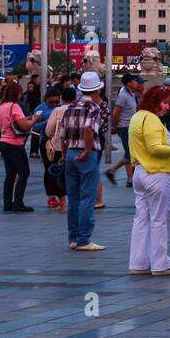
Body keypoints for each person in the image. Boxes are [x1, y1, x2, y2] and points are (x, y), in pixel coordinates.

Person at [127, 85, 170, 276]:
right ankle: (160, 263)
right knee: (160, 219)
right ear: (155, 102)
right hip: (156, 173)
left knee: (141, 219)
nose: (167, 107)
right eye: (165, 102)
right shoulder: (151, 119)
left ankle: (138, 262)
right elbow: (155, 148)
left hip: (140, 172)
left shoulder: (136, 117)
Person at [62, 71, 111, 251]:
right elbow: (90, 130)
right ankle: (84, 239)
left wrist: (64, 155)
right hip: (86, 154)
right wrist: (88, 150)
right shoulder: (94, 108)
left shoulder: (70, 107)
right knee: (87, 198)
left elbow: (63, 135)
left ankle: (73, 238)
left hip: (70, 154)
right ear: (97, 90)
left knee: (73, 198)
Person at [0, 80, 35, 212]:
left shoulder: (1, 107)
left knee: (10, 175)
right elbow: (24, 125)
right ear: (16, 93)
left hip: (4, 142)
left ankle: (8, 203)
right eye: (19, 93)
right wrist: (34, 119)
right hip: (14, 143)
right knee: (24, 172)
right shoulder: (14, 106)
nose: (21, 95)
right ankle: (18, 203)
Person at [105, 74, 142, 187]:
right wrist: (114, 126)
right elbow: (116, 112)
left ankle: (113, 171)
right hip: (124, 127)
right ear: (129, 83)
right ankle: (115, 172)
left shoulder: (132, 95)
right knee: (130, 153)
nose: (136, 82)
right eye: (134, 81)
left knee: (129, 152)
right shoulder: (123, 96)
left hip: (131, 127)